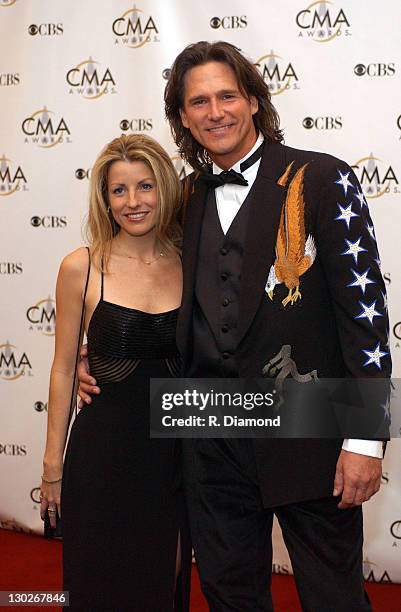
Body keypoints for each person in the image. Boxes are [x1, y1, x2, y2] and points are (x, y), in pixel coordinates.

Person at [79, 42, 391, 611]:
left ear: (252, 100)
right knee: (229, 592)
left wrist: (365, 440)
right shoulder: (187, 196)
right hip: (211, 427)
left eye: (227, 95)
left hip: (309, 422)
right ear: (182, 116)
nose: (214, 111)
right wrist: (99, 353)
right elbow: (149, 282)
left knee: (332, 595)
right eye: (198, 101)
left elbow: (364, 319)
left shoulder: (322, 178)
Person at [40, 134, 191, 611]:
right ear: (104, 198)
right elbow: (64, 368)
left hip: (175, 458)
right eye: (119, 190)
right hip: (103, 455)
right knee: (95, 588)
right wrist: (51, 467)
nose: (133, 202)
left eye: (144, 186)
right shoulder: (81, 267)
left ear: (163, 190)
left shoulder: (193, 263)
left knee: (160, 589)